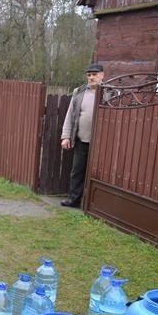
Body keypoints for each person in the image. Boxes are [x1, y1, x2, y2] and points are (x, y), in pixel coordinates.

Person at [60, 63, 105, 208]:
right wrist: (65, 136)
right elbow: (70, 116)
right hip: (81, 140)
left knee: (98, 173)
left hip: (102, 142)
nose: (91, 77)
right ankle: (74, 200)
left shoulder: (109, 93)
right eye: (89, 75)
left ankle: (95, 204)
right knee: (77, 171)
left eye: (95, 74)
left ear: (102, 75)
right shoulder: (79, 92)